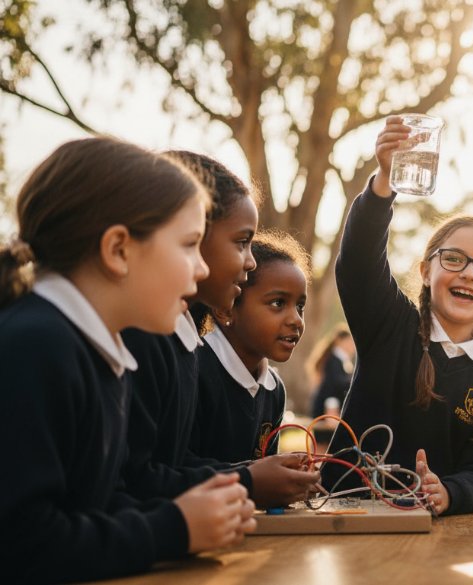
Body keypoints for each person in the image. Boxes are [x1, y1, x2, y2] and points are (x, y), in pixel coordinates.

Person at [0, 137, 256, 582]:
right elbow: (23, 543)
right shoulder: (36, 346)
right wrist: (174, 527)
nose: (200, 269)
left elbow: (98, 503)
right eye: (189, 245)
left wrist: (199, 511)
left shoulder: (98, 355)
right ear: (118, 250)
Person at [322, 115, 473, 516]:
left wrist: (449, 492)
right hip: (349, 520)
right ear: (426, 272)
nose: (468, 272)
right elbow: (358, 262)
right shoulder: (391, 326)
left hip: (438, 537)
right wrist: (382, 183)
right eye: (454, 258)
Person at [120, 151, 317, 508]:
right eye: (241, 242)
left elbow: (175, 465)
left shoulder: (183, 342)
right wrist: (247, 481)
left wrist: (265, 478)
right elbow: (136, 479)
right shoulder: (145, 338)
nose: (250, 260)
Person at [191, 231, 310, 464]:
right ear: (226, 309)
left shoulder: (274, 390)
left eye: (300, 306)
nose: (296, 319)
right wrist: (253, 479)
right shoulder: (195, 370)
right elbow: (176, 466)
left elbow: (263, 469)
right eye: (278, 303)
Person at [307, 325, 356, 417]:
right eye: (350, 342)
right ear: (340, 341)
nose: (353, 346)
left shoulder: (339, 360)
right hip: (327, 411)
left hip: (328, 409)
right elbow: (334, 385)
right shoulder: (333, 360)